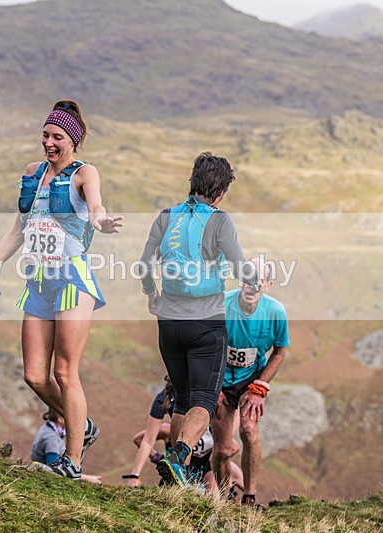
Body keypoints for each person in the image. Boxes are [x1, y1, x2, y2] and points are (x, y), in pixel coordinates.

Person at [0, 101, 123, 480]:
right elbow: (18, 229)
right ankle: (81, 424)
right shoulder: (32, 174)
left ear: (74, 141)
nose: (49, 143)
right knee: (35, 376)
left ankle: (72, 460)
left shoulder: (85, 173)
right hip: (37, 283)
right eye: (46, 135)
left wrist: (100, 222)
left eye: (58, 137)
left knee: (65, 372)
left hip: (72, 282)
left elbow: (97, 206)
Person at [139, 152, 258, 487]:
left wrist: (151, 294)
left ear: (192, 182)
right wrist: (254, 279)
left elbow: (144, 263)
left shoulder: (166, 216)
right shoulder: (219, 220)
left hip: (169, 323)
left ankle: (173, 480)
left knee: (183, 398)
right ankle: (178, 459)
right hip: (205, 323)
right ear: (220, 193)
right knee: (205, 400)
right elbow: (239, 266)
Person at [211, 257, 289, 508]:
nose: (253, 285)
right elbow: (205, 345)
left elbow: (280, 351)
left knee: (248, 430)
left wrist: (259, 387)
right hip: (221, 378)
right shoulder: (221, 305)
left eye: (260, 280)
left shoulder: (275, 311)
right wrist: (212, 386)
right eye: (248, 278)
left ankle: (249, 496)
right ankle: (224, 498)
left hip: (251, 379)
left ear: (268, 284)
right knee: (222, 450)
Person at [125, 377, 244, 493]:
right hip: (183, 461)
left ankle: (241, 498)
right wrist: (136, 474)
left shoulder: (210, 390)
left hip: (205, 464)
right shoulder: (166, 399)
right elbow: (146, 439)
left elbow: (234, 413)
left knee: (215, 495)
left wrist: (217, 456)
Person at [31, 409, 103, 484]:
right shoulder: (51, 439)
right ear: (59, 419)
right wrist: (86, 478)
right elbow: (55, 469)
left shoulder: (47, 428)